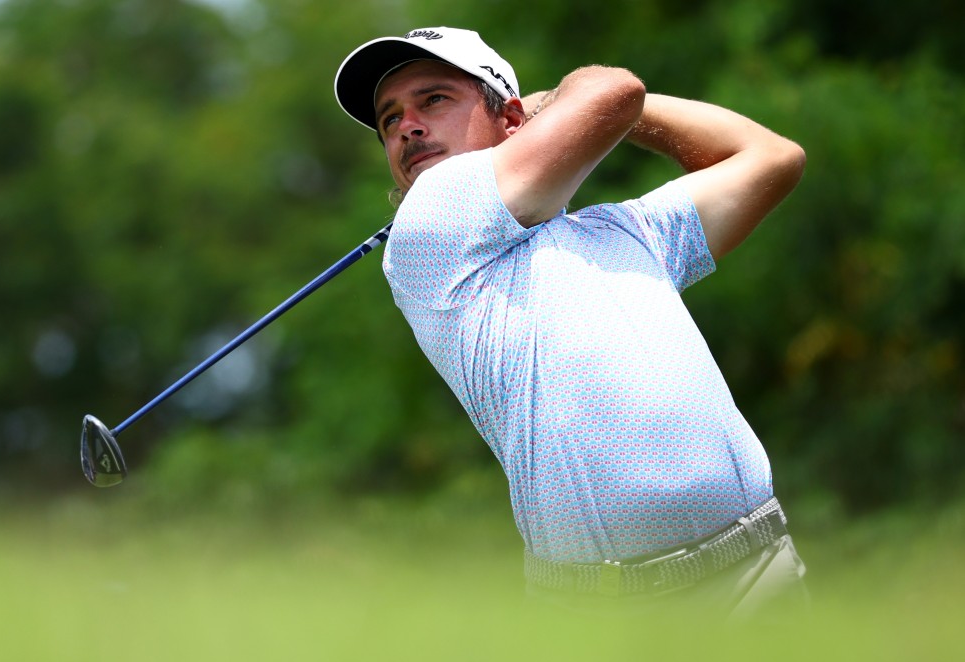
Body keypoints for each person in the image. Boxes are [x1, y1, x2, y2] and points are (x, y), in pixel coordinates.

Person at [334, 27, 808, 616]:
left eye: (433, 100)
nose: (407, 126)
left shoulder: (627, 231)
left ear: (509, 119)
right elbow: (613, 89)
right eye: (389, 119)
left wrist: (539, 111)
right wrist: (553, 108)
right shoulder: (428, 222)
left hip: (756, 569)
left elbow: (772, 158)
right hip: (606, 612)